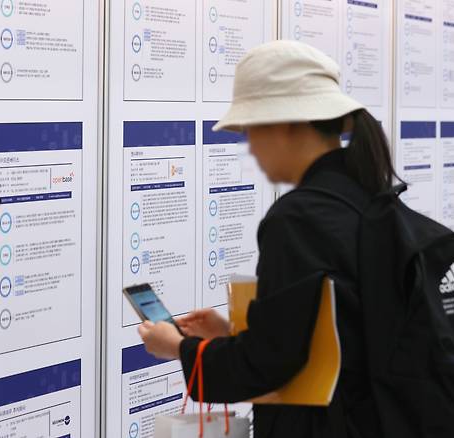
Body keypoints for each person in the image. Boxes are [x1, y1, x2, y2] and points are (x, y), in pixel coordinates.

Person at [138, 40, 395, 437]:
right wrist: (231, 336)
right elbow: (318, 344)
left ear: (287, 124)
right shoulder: (368, 199)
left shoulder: (298, 219)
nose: (250, 148)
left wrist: (177, 347)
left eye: (251, 130)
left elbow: (265, 367)